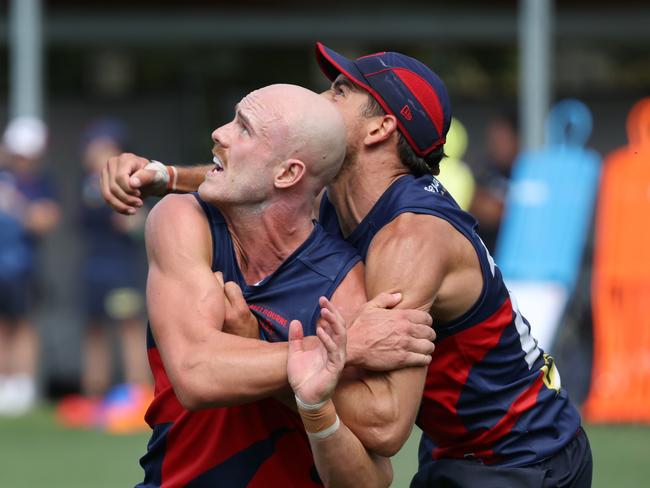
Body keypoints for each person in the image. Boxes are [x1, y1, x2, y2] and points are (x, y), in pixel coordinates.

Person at [101, 44, 592, 487]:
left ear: (380, 128)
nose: (321, 96)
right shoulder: (345, 199)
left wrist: (258, 344)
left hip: (522, 454)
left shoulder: (408, 241)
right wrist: (165, 176)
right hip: (457, 449)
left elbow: (385, 424)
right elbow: (264, 180)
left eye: (339, 91)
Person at [139, 83, 435, 487]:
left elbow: (371, 477)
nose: (220, 133)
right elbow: (195, 372)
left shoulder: (344, 283)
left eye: (244, 128)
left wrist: (315, 405)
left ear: (288, 173)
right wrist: (338, 349)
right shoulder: (183, 219)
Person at [0, 116, 60, 415]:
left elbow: (45, 220)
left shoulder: (40, 184)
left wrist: (16, 204)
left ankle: (22, 389)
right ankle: (3, 385)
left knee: (22, 324)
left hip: (22, 267)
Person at [469, 110, 519, 254]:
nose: (493, 145)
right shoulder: (486, 171)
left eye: (500, 139)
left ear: (517, 138)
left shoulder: (528, 173)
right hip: (491, 255)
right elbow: (480, 208)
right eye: (491, 139)